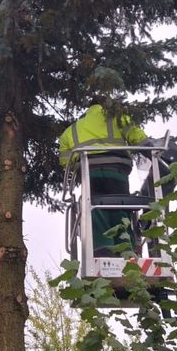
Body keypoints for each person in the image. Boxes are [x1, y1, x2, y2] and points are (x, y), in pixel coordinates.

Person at [59, 102, 148, 256]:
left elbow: (65, 161)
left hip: (90, 173)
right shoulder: (118, 118)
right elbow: (138, 139)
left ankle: (102, 248)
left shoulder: (71, 131)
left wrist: (76, 165)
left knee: (94, 207)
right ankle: (126, 249)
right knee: (120, 206)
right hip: (117, 171)